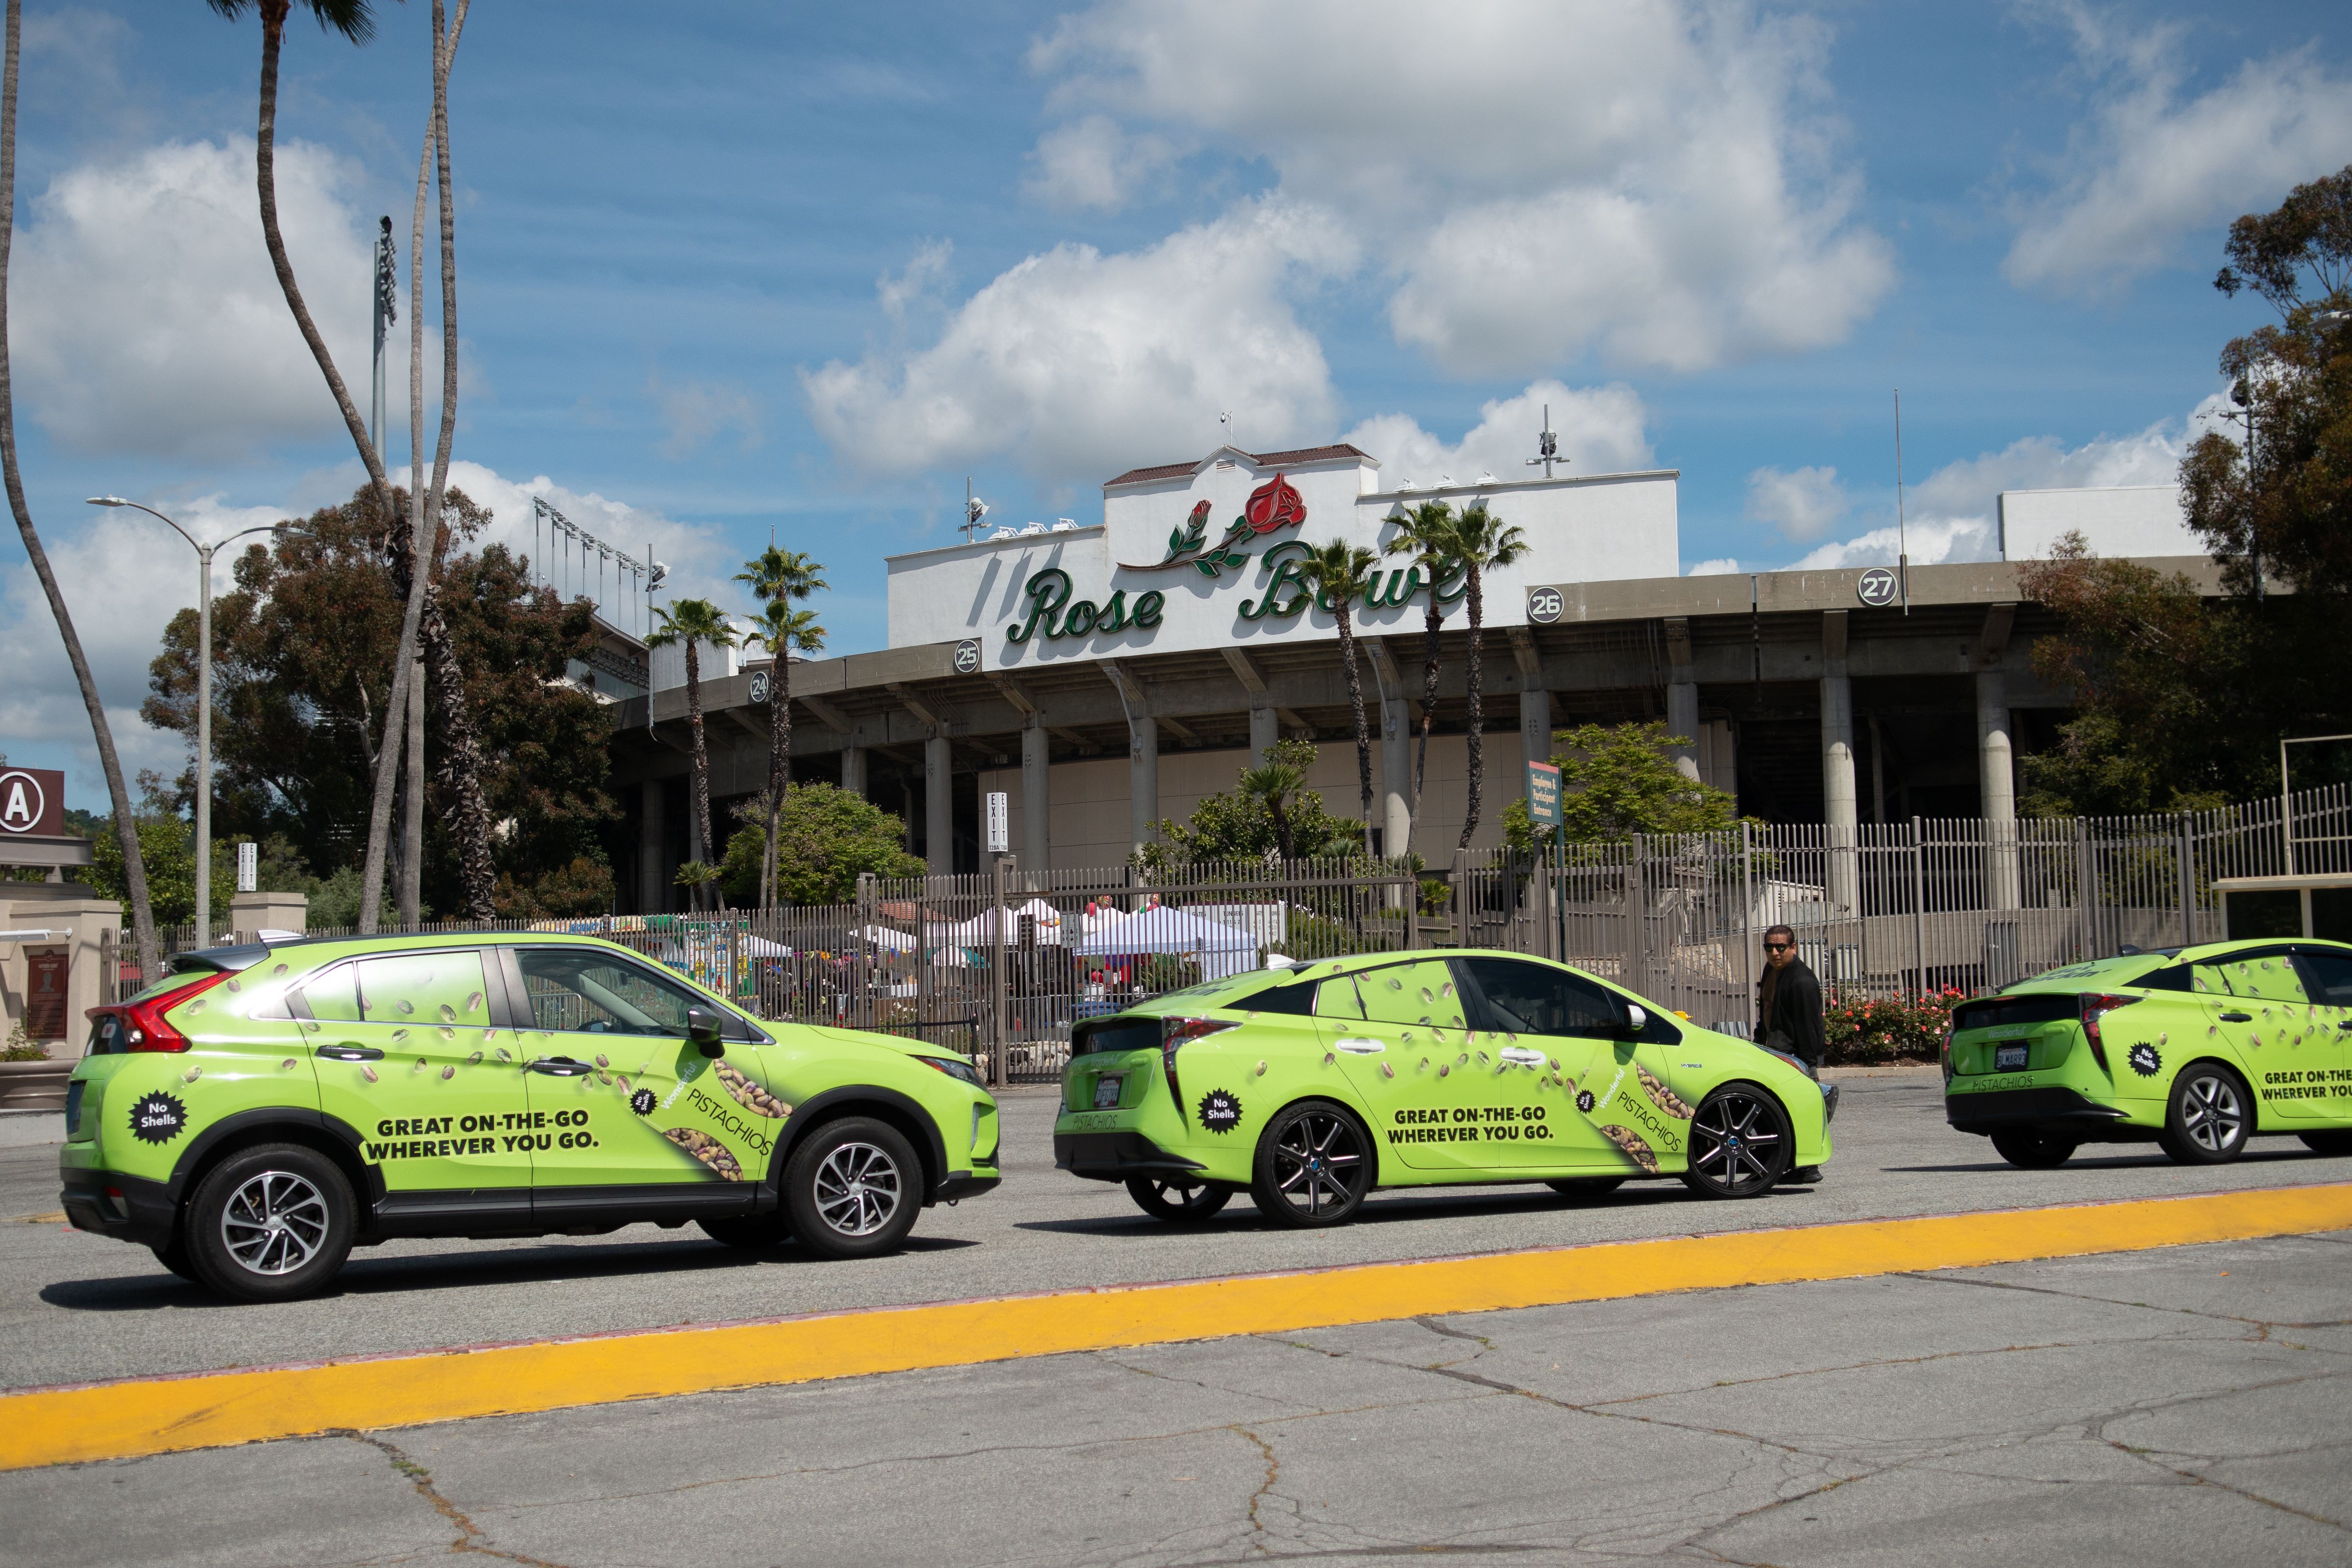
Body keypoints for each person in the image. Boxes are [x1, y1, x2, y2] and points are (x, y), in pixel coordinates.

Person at [1755, 924, 1824, 1183]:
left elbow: (1810, 1027)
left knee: (1795, 1108)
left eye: (1781, 947)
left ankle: (1808, 1167)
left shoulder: (1802, 982)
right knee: (1775, 1108)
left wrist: (1810, 1066)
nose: (1775, 953)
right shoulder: (1771, 971)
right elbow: (1767, 1013)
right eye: (1769, 947)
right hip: (1773, 1050)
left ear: (1793, 948)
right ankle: (1784, 1163)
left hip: (1795, 1056)